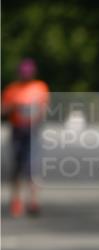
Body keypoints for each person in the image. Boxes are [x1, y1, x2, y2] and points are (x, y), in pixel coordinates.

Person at [1, 58, 49, 217]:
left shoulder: (40, 87)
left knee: (32, 168)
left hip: (33, 130)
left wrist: (36, 115)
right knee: (16, 167)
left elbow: (44, 108)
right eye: (24, 74)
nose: (26, 76)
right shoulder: (12, 89)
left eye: (28, 74)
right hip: (17, 130)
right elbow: (3, 110)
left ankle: (33, 201)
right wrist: (13, 107)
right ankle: (16, 201)